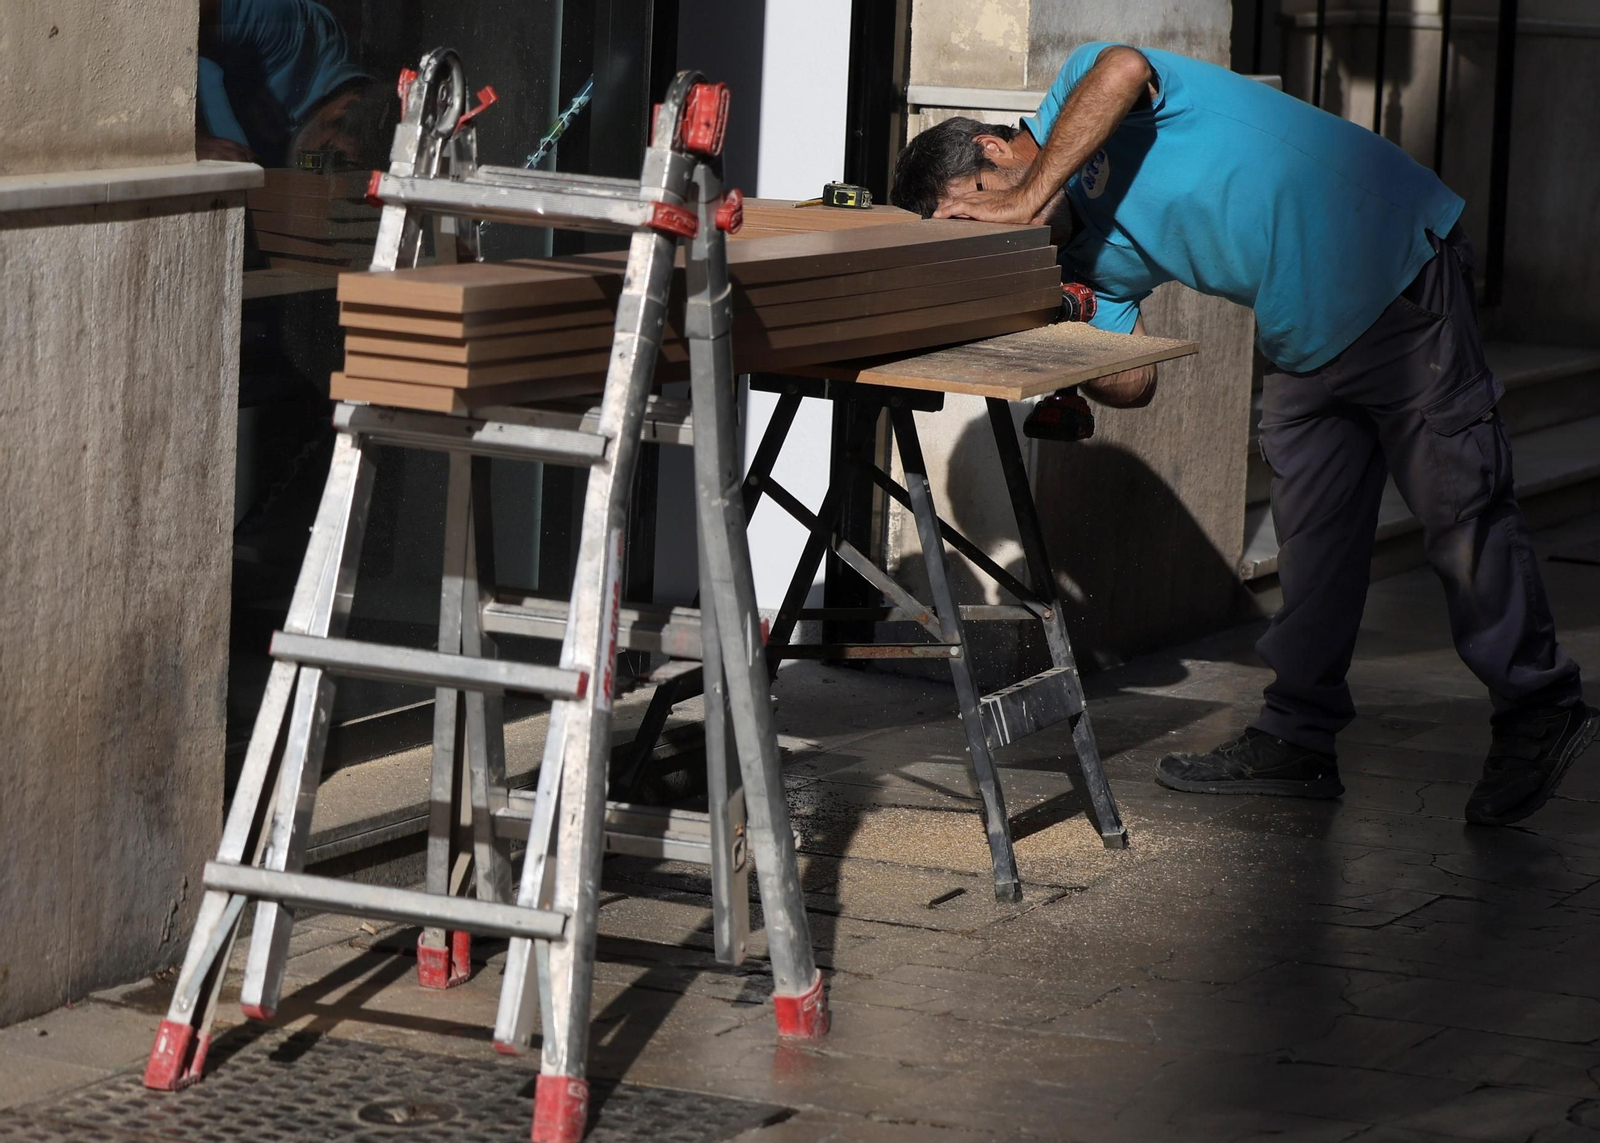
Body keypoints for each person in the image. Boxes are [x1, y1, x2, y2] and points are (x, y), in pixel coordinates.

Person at [889, 42, 1595, 826]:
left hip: (1390, 268)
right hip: (1303, 334)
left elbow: (1125, 67)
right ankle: (1299, 738)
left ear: (992, 148)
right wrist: (1057, 313)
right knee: (1314, 545)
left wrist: (1021, 202)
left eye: (979, 201)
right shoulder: (1081, 252)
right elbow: (1136, 380)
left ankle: (1539, 703)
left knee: (1460, 511)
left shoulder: (1081, 91)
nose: (995, 225)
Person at [197, 0, 395, 169]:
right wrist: (194, 139)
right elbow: (190, 9)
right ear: (345, 107)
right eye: (332, 156)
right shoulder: (288, 32)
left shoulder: (315, 123)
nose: (314, 165)